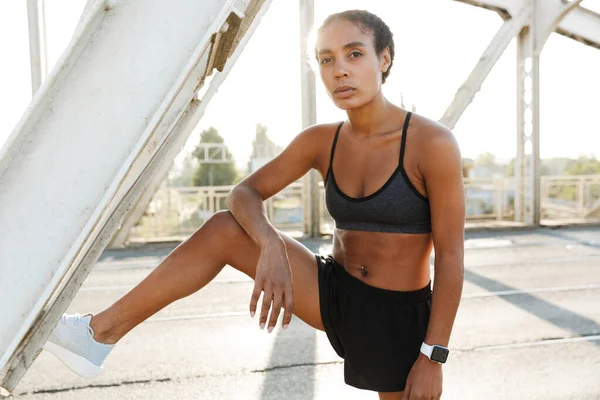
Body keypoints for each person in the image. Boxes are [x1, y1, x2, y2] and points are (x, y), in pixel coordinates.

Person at [43, 9, 465, 400]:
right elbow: (243, 193)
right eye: (325, 59)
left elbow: (450, 255)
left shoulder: (431, 143)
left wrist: (433, 355)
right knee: (226, 228)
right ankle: (97, 335)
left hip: (395, 319)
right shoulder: (322, 140)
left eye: (354, 54)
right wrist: (270, 243)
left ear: (384, 59)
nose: (339, 70)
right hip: (332, 293)